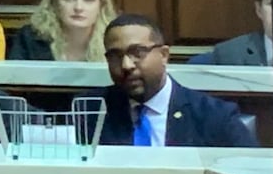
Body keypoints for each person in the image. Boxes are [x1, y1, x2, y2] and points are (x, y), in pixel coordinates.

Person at [92, 13, 258, 147]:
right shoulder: (91, 111)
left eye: (137, 53)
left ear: (164, 55)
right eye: (115, 56)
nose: (126, 65)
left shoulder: (214, 116)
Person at [7, 0, 115, 62]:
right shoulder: (30, 39)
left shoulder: (114, 41)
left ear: (101, 5)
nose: (78, 7)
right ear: (54, 2)